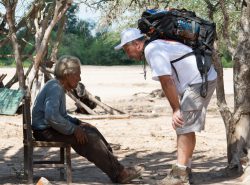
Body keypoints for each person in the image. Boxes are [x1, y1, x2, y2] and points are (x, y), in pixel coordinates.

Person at [114, 28, 217, 185]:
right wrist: (176, 108)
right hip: (200, 78)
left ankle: (180, 174)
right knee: (184, 126)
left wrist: (176, 109)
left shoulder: (152, 50)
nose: (127, 54)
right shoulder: (155, 46)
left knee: (183, 125)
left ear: (137, 44)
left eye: (127, 49)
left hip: (200, 80)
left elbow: (166, 81)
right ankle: (185, 171)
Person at [32, 55, 141, 184]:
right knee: (90, 139)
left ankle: (116, 167)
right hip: (45, 131)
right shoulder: (55, 88)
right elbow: (52, 117)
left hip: (50, 128)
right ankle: (119, 174)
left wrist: (78, 123)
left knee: (91, 130)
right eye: (77, 74)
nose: (79, 78)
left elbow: (61, 116)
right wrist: (74, 129)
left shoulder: (57, 86)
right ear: (68, 75)